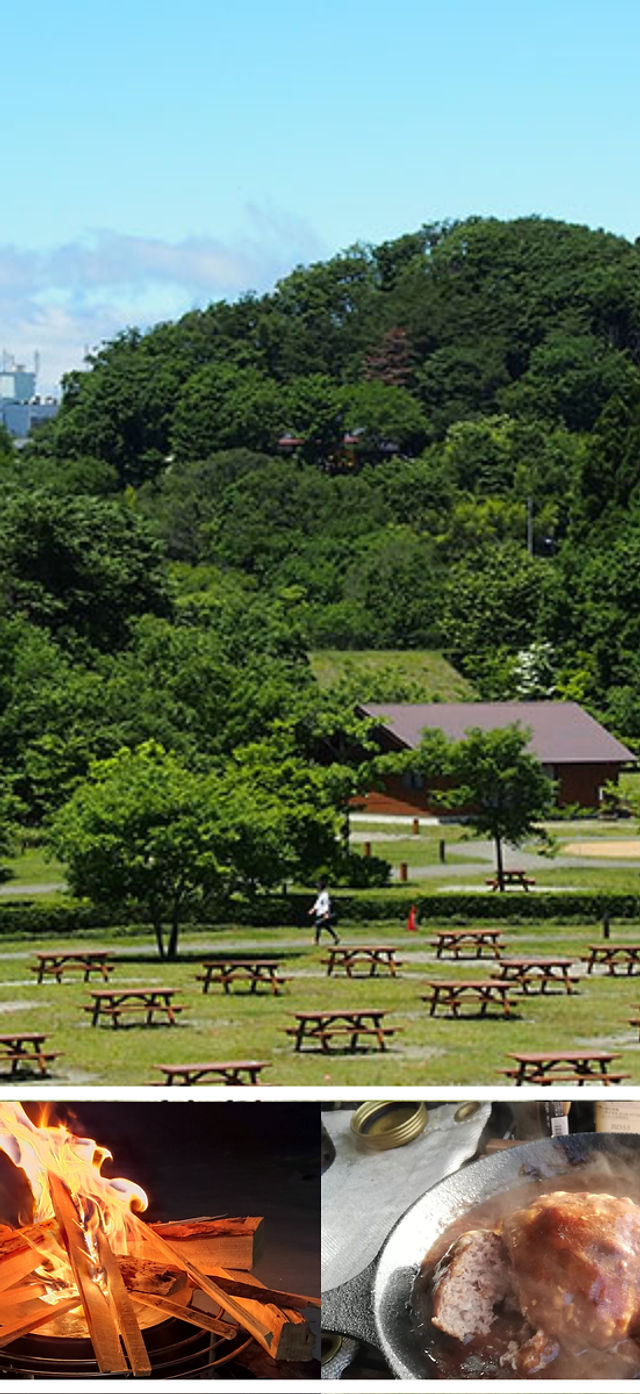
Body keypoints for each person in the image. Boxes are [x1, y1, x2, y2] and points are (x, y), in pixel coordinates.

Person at [309, 880, 339, 945]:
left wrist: (326, 913)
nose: (317, 888)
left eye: (318, 887)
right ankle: (336, 938)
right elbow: (318, 904)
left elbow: (327, 904)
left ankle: (316, 941)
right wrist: (313, 909)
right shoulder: (320, 895)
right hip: (319, 913)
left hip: (323, 913)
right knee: (325, 926)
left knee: (318, 924)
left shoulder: (325, 895)